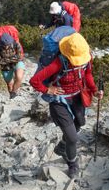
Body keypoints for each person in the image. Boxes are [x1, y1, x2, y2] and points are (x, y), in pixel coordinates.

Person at [29, 32, 102, 178]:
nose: (80, 61)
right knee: (73, 138)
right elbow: (35, 80)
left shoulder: (86, 58)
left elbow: (87, 74)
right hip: (60, 102)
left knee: (79, 124)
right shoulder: (58, 62)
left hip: (78, 97)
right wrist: (48, 89)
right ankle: (72, 163)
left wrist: (95, 90)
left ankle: (63, 146)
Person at [0, 25, 26, 98]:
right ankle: (11, 94)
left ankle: (14, 92)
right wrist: (13, 58)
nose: (6, 46)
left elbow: (20, 56)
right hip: (6, 67)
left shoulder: (16, 43)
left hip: (17, 63)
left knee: (19, 77)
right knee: (9, 84)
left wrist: (7, 59)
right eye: (4, 45)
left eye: (8, 45)